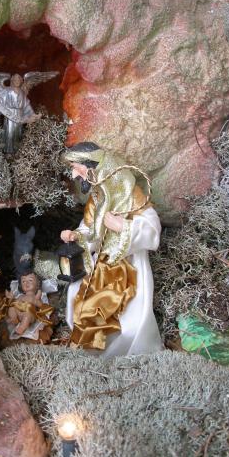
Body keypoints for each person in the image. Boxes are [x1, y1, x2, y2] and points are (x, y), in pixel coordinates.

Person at [60, 142, 163, 357]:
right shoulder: (97, 197)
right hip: (102, 264)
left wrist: (123, 226)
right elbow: (89, 228)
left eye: (76, 168)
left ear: (92, 166)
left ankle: (112, 353)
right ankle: (91, 351)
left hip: (127, 268)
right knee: (81, 301)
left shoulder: (130, 193)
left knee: (112, 312)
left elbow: (152, 228)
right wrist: (76, 235)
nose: (74, 174)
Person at [0, 71, 58, 153]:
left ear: (21, 81)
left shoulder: (22, 92)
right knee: (10, 133)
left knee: (18, 132)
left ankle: (17, 149)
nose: (17, 81)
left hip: (20, 115)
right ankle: (8, 150)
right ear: (12, 80)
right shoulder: (7, 91)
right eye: (15, 79)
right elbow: (0, 102)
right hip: (10, 115)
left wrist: (32, 115)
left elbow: (26, 105)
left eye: (19, 79)